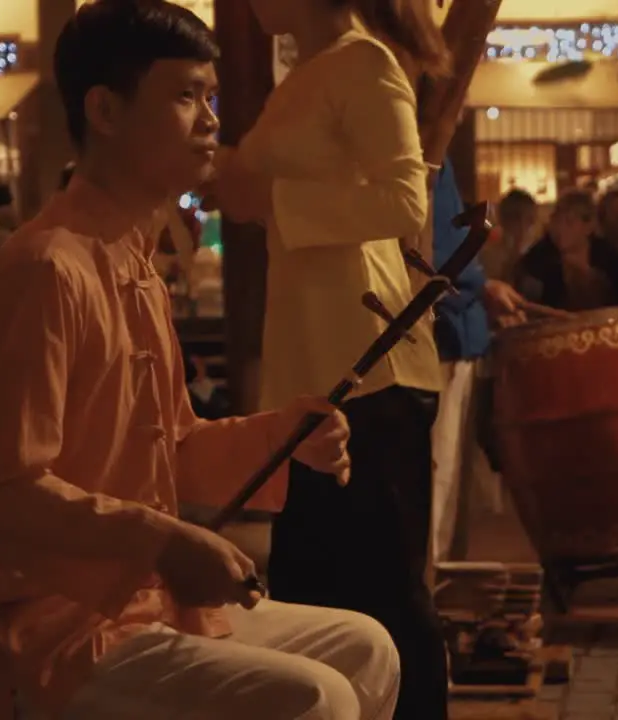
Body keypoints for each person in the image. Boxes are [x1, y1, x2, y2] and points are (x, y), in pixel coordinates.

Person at [0, 3, 400, 719]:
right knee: (317, 696)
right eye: (185, 96)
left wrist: (282, 437)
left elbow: (169, 450)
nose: (212, 119)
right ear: (106, 110)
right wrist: (160, 539)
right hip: (49, 625)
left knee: (366, 646)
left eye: (209, 97)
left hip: (142, 606)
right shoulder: (46, 270)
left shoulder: (135, 263)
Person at [204, 0, 451, 717]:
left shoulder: (364, 63)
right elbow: (248, 184)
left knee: (384, 595)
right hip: (316, 366)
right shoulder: (307, 73)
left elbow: (406, 200)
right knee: (318, 588)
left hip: (369, 364)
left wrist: (276, 200)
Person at [516, 189, 618, 312]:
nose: (560, 228)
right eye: (556, 220)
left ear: (588, 226)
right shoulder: (538, 258)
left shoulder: (608, 257)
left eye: (569, 222)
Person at [479, 188, 537, 283]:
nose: (522, 227)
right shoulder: (486, 258)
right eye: (516, 218)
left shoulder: (539, 258)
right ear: (503, 219)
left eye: (529, 220)